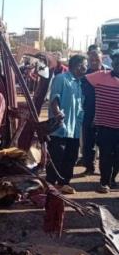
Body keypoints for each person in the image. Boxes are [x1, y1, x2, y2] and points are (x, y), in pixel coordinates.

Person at [46, 54, 87, 194]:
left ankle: (64, 183)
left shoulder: (79, 83)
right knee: (56, 157)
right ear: (78, 66)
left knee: (71, 157)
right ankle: (50, 184)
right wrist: (57, 114)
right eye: (84, 65)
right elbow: (54, 99)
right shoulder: (61, 79)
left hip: (74, 129)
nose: (86, 68)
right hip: (60, 128)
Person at [86, 52, 119, 193]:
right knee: (106, 155)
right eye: (117, 63)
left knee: (118, 157)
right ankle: (104, 182)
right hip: (105, 126)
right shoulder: (100, 76)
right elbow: (80, 80)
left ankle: (112, 178)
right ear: (113, 64)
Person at [80, 45, 107, 175]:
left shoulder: (110, 73)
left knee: (105, 143)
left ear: (103, 59)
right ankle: (89, 167)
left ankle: (105, 170)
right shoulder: (83, 76)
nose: (94, 62)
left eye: (97, 59)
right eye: (92, 60)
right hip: (88, 113)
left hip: (107, 114)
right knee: (88, 142)